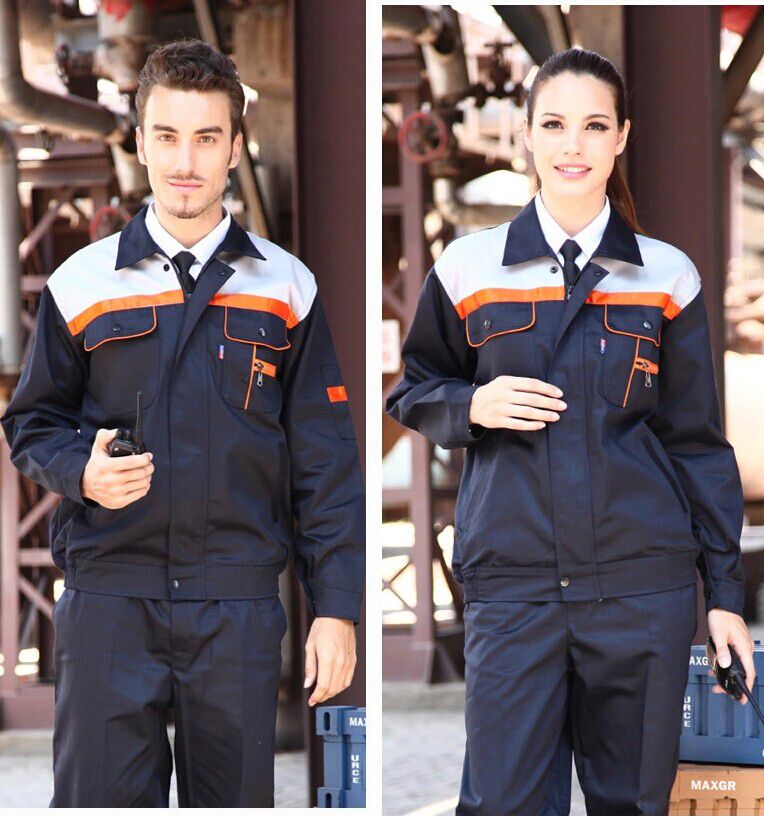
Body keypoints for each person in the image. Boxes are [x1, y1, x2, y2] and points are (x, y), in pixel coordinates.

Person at [386, 48, 755, 816]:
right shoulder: (470, 268)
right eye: (554, 124)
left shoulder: (666, 276)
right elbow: (413, 391)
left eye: (593, 125)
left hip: (640, 587)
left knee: (635, 804)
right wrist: (475, 405)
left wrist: (724, 595)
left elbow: (695, 444)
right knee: (504, 803)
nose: (572, 144)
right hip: (513, 587)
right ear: (526, 135)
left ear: (622, 136)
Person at [1, 38, 364, 808]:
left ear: (235, 147)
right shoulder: (82, 284)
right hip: (110, 600)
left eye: (206, 137)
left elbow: (326, 466)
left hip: (235, 605)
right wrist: (81, 471)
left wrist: (336, 608)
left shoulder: (286, 288)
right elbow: (30, 423)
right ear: (140, 142)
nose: (185, 162)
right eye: (167, 136)